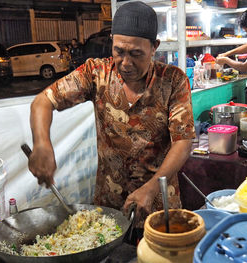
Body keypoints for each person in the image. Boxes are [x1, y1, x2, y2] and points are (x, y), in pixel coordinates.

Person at [28, 1, 195, 231]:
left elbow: (183, 141)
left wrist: (151, 188)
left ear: (154, 47)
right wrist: (42, 144)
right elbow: (42, 102)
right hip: (108, 206)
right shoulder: (96, 73)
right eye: (119, 51)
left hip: (157, 203)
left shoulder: (173, 80)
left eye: (136, 54)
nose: (126, 63)